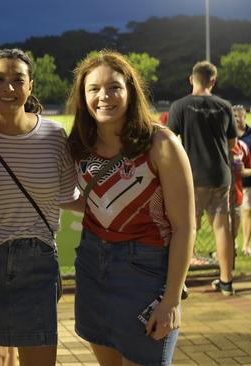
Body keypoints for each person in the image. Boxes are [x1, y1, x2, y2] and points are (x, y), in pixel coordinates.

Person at [67, 50, 195, 365]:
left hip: (145, 270)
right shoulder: (81, 143)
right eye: (93, 89)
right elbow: (95, 201)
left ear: (130, 91)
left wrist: (171, 301)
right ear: (83, 97)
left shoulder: (161, 143)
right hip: (91, 263)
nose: (104, 96)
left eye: (114, 87)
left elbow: (185, 227)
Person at [0, 49, 79, 366]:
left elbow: (70, 196)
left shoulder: (54, 136)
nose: (8, 89)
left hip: (37, 262)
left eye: (18, 80)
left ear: (30, 86)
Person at [167, 61, 237, 295]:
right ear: (213, 81)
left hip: (192, 177)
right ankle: (226, 281)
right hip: (220, 176)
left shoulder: (179, 106)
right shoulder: (224, 106)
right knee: (221, 228)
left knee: (187, 228)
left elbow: (170, 142)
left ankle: (181, 284)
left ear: (191, 79)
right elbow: (232, 144)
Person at [233, 105, 251, 256]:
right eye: (235, 116)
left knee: (247, 212)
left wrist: (246, 172)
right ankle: (233, 244)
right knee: (232, 215)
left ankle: (246, 245)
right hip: (231, 183)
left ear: (245, 116)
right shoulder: (228, 136)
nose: (237, 119)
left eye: (240, 116)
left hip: (247, 182)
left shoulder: (250, 136)